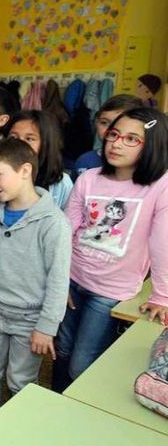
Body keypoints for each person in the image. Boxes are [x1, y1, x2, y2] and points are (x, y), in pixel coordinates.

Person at [0, 138, 71, 439]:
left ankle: (20, 426)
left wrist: (46, 327)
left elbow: (59, 279)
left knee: (21, 378)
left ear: (25, 171)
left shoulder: (54, 223)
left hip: (30, 318)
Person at [53, 107, 168, 392]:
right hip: (72, 279)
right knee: (63, 349)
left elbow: (162, 243)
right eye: (114, 134)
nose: (116, 143)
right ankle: (58, 402)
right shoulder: (89, 177)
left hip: (110, 293)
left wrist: (162, 295)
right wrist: (59, 280)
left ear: (153, 145)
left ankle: (80, 411)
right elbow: (66, 231)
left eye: (132, 139)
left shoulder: (160, 186)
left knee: (82, 363)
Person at [2, 110, 73, 209]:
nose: (19, 143)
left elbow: (67, 222)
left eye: (29, 139)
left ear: (45, 144)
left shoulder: (62, 183)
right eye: (13, 137)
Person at [72, 95, 144, 179]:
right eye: (104, 122)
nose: (111, 130)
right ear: (96, 122)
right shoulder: (84, 161)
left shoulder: (144, 164)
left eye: (119, 123)